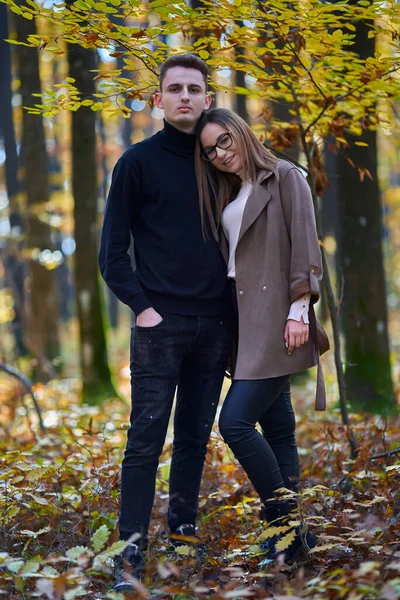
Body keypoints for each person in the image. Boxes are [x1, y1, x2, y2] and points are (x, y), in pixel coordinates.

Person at [98, 56, 234, 592]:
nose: (183, 96)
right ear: (158, 100)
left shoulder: (221, 163)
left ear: (207, 98)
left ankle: (182, 540)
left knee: (196, 439)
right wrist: (145, 309)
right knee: (145, 441)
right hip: (160, 326)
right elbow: (112, 254)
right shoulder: (136, 163)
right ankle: (128, 556)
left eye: (193, 89)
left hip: (217, 324)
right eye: (173, 88)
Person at [195, 108, 330, 565]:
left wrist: (299, 312)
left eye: (224, 142)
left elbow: (305, 244)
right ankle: (293, 544)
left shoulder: (284, 176)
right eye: (210, 151)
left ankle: (285, 525)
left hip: (278, 318)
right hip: (243, 319)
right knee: (278, 430)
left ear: (241, 132)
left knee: (233, 423)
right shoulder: (232, 190)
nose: (219, 154)